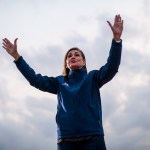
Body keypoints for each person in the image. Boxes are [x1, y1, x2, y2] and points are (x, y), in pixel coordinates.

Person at [2, 14, 123, 150]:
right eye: (69, 56)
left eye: (77, 55)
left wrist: (116, 40)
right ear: (66, 63)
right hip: (66, 140)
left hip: (93, 138)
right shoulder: (59, 82)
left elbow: (112, 67)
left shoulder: (93, 77)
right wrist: (17, 57)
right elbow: (34, 79)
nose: (73, 56)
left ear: (83, 62)